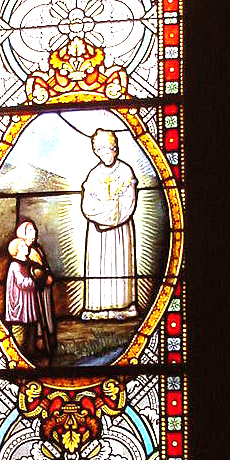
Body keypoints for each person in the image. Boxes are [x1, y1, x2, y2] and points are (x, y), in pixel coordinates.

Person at [81, 128, 138, 320]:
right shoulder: (93, 175)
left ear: (115, 149)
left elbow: (128, 204)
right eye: (100, 150)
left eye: (108, 149)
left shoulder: (126, 171)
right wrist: (110, 209)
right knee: (99, 267)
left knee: (119, 265)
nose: (104, 153)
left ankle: (122, 308)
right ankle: (99, 309)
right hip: (98, 233)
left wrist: (108, 211)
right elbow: (88, 207)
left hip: (120, 231)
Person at [16, 219, 56, 353]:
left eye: (34, 229)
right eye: (30, 230)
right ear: (23, 233)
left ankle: (48, 340)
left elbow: (44, 265)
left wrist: (48, 275)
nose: (34, 231)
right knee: (37, 316)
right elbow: (30, 270)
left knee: (47, 314)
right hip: (32, 290)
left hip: (43, 289)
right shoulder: (23, 251)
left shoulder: (37, 248)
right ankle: (39, 341)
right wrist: (43, 278)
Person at [4, 237, 38, 350]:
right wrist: (36, 279)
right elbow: (22, 283)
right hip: (19, 307)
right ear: (16, 250)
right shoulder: (15, 265)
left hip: (28, 305)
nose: (26, 247)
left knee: (30, 334)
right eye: (22, 246)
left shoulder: (27, 263)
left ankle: (30, 354)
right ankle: (16, 356)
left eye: (25, 245)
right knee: (19, 336)